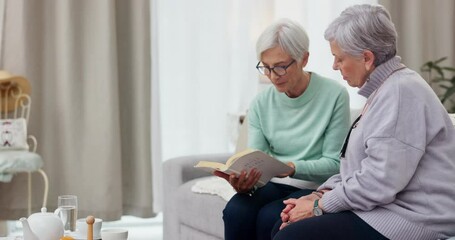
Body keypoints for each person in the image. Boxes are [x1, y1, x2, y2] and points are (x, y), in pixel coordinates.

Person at [272, 4, 455, 240]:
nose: (334, 66)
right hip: (388, 208)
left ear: (367, 58)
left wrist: (320, 206)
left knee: (290, 236)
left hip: (415, 218)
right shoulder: (384, 90)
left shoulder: (400, 93)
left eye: (339, 58)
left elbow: (378, 182)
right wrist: (319, 194)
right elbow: (358, 168)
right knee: (277, 221)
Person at [213, 18, 351, 240]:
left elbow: (335, 164)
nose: (273, 76)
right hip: (273, 184)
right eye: (266, 67)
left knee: (270, 216)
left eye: (280, 66)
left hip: (316, 186)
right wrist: (245, 181)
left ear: (304, 59)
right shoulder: (261, 103)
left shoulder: (335, 95)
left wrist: (291, 168)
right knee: (236, 210)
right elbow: (256, 157)